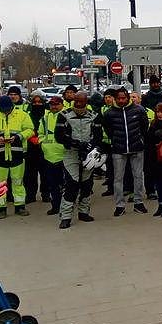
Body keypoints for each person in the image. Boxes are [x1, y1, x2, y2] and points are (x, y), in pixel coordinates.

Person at [53, 92, 103, 229]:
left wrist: (92, 147)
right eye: (77, 101)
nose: (79, 104)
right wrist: (75, 143)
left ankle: (84, 212)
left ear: (86, 102)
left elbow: (98, 136)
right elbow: (59, 136)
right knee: (71, 183)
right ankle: (66, 216)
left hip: (89, 153)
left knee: (87, 184)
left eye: (82, 102)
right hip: (71, 153)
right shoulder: (64, 115)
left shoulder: (94, 116)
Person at [0, 95, 35, 218]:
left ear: (12, 106)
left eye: (7, 108)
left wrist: (18, 137)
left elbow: (30, 130)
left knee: (18, 181)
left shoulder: (22, 115)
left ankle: (20, 207)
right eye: (3, 108)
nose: (5, 111)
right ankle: (1, 209)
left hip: (17, 153)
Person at [103, 87, 149, 216]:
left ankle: (138, 202)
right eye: (119, 98)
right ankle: (119, 205)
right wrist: (115, 140)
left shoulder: (138, 110)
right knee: (118, 178)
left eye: (124, 98)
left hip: (137, 147)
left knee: (138, 176)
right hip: (118, 149)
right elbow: (108, 129)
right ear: (115, 99)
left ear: (128, 98)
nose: (121, 100)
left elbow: (144, 126)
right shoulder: (109, 113)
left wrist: (140, 139)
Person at [38, 96, 66, 215]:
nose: (54, 106)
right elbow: (40, 133)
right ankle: (55, 206)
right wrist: (43, 143)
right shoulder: (45, 118)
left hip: (64, 155)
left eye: (56, 104)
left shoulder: (67, 116)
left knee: (65, 184)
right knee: (53, 184)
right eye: (52, 104)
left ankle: (67, 206)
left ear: (62, 105)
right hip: (49, 156)